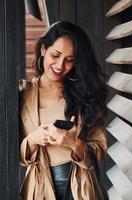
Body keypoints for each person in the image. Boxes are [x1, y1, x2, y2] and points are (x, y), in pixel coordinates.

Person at [18, 21, 108, 199]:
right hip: (39, 186)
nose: (60, 65)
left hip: (81, 186)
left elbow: (99, 150)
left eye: (70, 60)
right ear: (44, 50)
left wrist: (74, 144)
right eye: (55, 55)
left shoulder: (86, 94)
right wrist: (32, 139)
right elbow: (11, 152)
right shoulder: (22, 94)